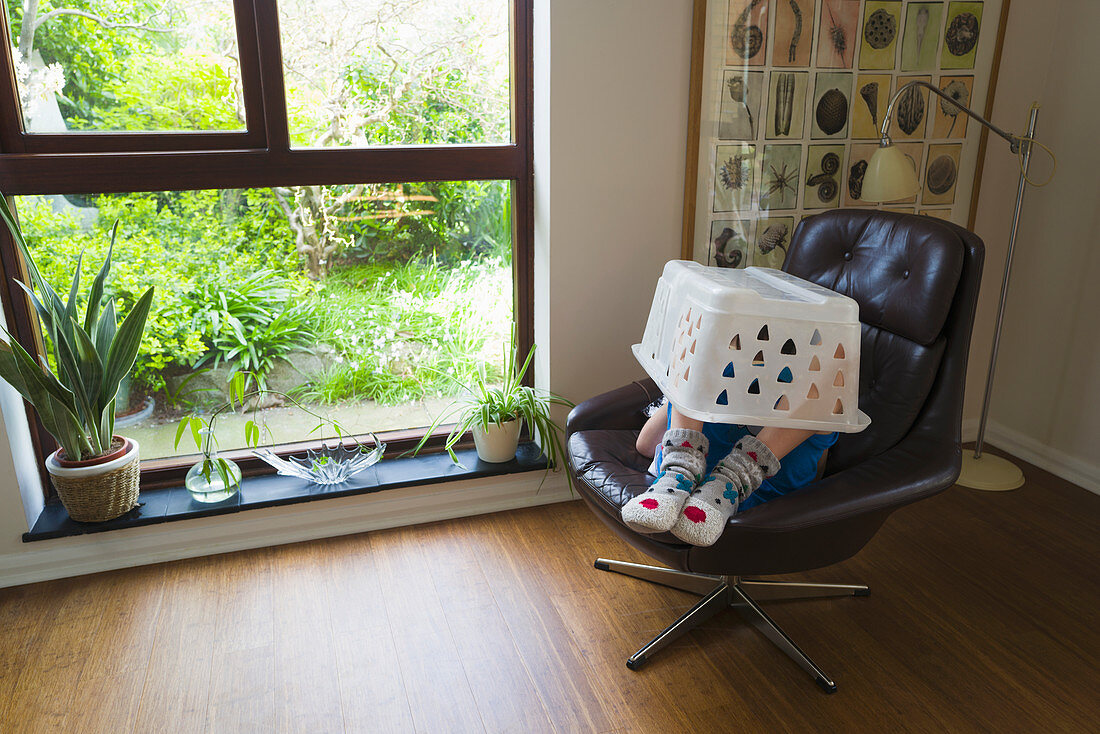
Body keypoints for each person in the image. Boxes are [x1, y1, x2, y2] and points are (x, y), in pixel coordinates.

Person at [621, 400, 838, 547]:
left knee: (697, 361)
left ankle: (691, 470)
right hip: (765, 504)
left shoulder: (711, 364)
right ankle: (718, 476)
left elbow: (646, 445)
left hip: (697, 498)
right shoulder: (823, 395)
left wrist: (679, 391)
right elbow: (816, 472)